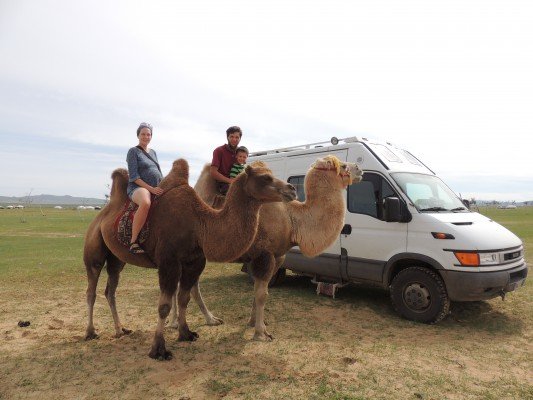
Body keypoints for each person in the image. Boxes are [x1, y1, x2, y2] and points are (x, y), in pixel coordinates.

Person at [126, 122, 163, 254]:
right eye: (143, 134)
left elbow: (158, 171)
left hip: (156, 186)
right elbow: (134, 177)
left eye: (148, 134)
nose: (146, 137)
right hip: (137, 187)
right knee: (146, 202)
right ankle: (133, 242)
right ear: (138, 135)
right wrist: (151, 189)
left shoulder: (153, 152)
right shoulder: (133, 152)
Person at [210, 126, 242, 195]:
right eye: (231, 136)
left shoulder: (241, 152)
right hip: (223, 184)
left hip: (238, 182)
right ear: (227, 137)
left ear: (240, 139)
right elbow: (213, 172)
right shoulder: (219, 151)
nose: (234, 139)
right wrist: (230, 181)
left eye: (237, 137)